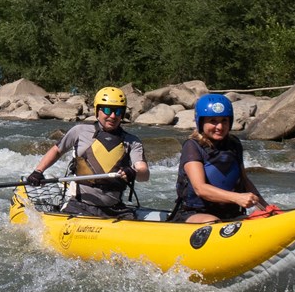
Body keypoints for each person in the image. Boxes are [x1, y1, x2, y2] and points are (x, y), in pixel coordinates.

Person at [26, 87, 149, 218]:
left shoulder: (132, 141)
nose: (113, 116)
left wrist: (133, 172)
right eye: (107, 110)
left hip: (114, 209)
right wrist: (38, 171)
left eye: (118, 111)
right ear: (97, 111)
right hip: (80, 206)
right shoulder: (80, 131)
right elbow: (57, 150)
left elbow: (144, 174)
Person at [173, 93, 268, 223]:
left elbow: (245, 181)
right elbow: (200, 189)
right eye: (213, 121)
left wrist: (265, 207)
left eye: (224, 120)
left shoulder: (234, 144)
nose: (220, 127)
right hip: (195, 213)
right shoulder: (192, 146)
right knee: (213, 222)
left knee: (263, 217)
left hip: (231, 213)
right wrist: (237, 198)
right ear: (201, 122)